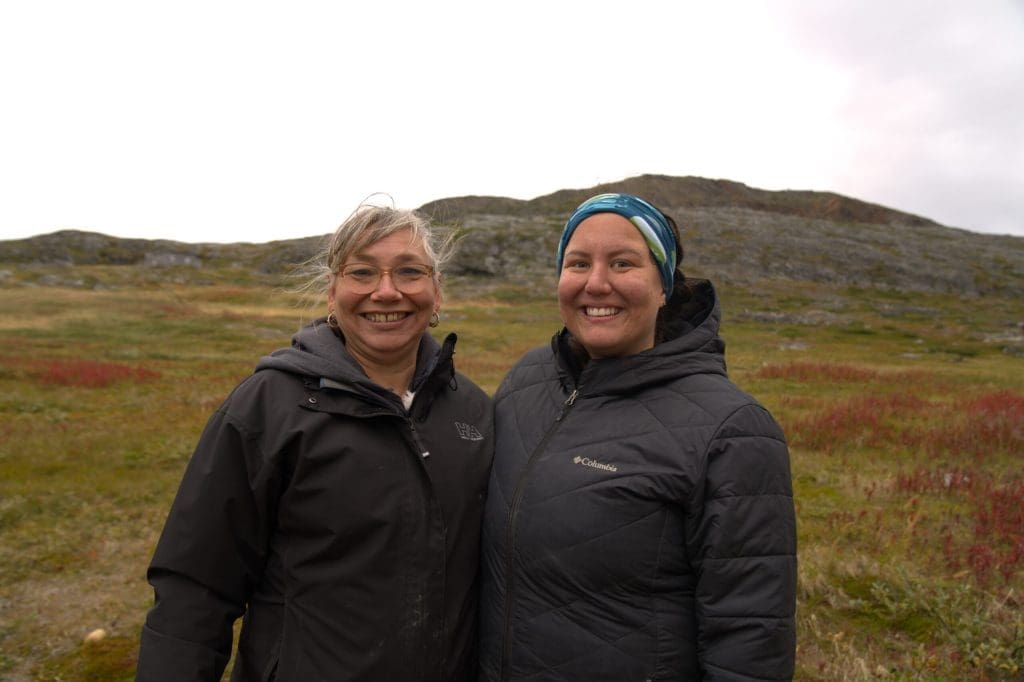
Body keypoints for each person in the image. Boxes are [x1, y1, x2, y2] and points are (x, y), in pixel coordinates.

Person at [136, 203, 494, 681]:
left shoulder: (471, 409)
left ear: (436, 291)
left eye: (410, 272)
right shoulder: (267, 408)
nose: (386, 292)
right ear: (332, 292)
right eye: (362, 272)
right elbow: (196, 588)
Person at [478, 193, 797, 680]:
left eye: (623, 263)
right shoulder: (528, 380)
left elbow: (750, 640)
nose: (596, 283)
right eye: (578, 262)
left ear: (664, 285)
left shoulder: (732, 430)